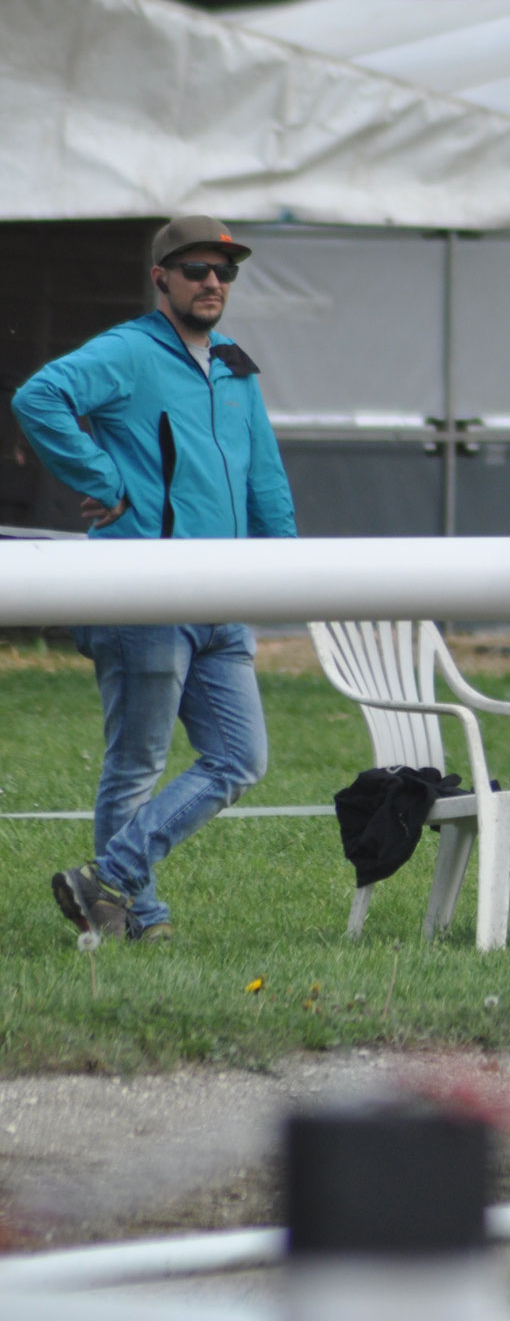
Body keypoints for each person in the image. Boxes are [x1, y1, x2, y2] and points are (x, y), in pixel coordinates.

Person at [12, 215, 297, 943]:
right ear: (160, 277)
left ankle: (108, 880)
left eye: (224, 272)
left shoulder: (235, 364)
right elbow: (38, 398)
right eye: (196, 269)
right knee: (136, 765)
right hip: (143, 588)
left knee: (241, 759)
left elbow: (264, 474)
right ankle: (140, 919)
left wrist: (289, 563)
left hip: (225, 597)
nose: (212, 282)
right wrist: (102, 478)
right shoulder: (129, 352)